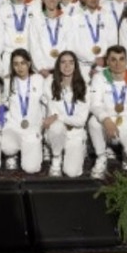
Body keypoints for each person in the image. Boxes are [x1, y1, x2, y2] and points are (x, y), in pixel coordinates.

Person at [88, 45, 127, 178]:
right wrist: (106, 119)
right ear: (107, 62)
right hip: (108, 121)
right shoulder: (99, 77)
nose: (117, 63)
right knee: (94, 122)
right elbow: (94, 104)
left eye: (121, 59)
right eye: (113, 59)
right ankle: (101, 157)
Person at [41, 50, 90, 178]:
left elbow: (81, 120)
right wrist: (54, 119)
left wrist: (59, 116)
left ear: (76, 66)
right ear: (58, 65)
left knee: (72, 173)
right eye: (63, 62)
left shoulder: (84, 86)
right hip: (57, 131)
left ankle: (80, 148)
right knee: (56, 126)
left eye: (71, 63)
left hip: (75, 134)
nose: (67, 66)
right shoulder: (50, 82)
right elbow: (49, 114)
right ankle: (56, 159)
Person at [1, 49, 44, 173]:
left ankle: (27, 148)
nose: (20, 67)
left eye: (23, 63)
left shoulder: (38, 79)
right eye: (16, 64)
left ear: (29, 64)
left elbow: (47, 102)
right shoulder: (8, 81)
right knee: (7, 145)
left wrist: (45, 123)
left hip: (32, 127)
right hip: (13, 126)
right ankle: (11, 155)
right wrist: (0, 122)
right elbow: (1, 105)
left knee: (31, 168)